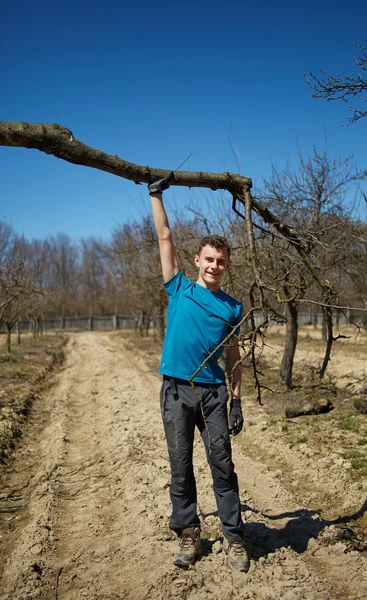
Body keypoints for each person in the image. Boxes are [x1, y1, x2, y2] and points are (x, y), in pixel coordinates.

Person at [148, 172, 249, 572]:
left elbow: (234, 355)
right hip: (176, 391)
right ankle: (188, 535)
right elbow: (164, 238)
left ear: (227, 266)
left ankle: (235, 538)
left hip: (212, 395)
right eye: (209, 259)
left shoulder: (233, 308)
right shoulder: (179, 289)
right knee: (180, 465)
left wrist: (237, 400)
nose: (214, 265)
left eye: (221, 261)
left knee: (222, 464)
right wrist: (155, 194)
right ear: (197, 261)